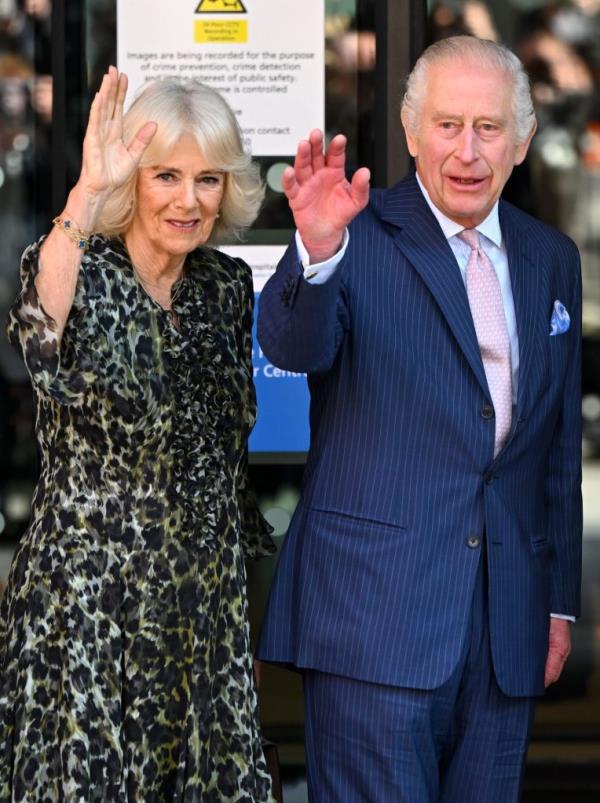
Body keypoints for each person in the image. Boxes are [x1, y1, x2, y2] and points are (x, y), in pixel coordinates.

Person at [256, 35, 582, 802]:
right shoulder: (354, 235)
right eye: (447, 125)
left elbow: (556, 450)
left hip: (504, 628)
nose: (467, 151)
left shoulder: (551, 257)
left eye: (488, 128)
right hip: (371, 622)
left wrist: (557, 601)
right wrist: (317, 251)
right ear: (410, 132)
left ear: (523, 140)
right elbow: (292, 345)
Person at [0, 67, 276, 802]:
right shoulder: (74, 269)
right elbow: (39, 341)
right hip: (91, 605)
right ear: (133, 181)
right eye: (167, 176)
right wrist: (85, 197)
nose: (189, 200)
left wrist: (235, 620)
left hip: (201, 607)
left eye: (208, 179)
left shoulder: (225, 285)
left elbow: (226, 460)